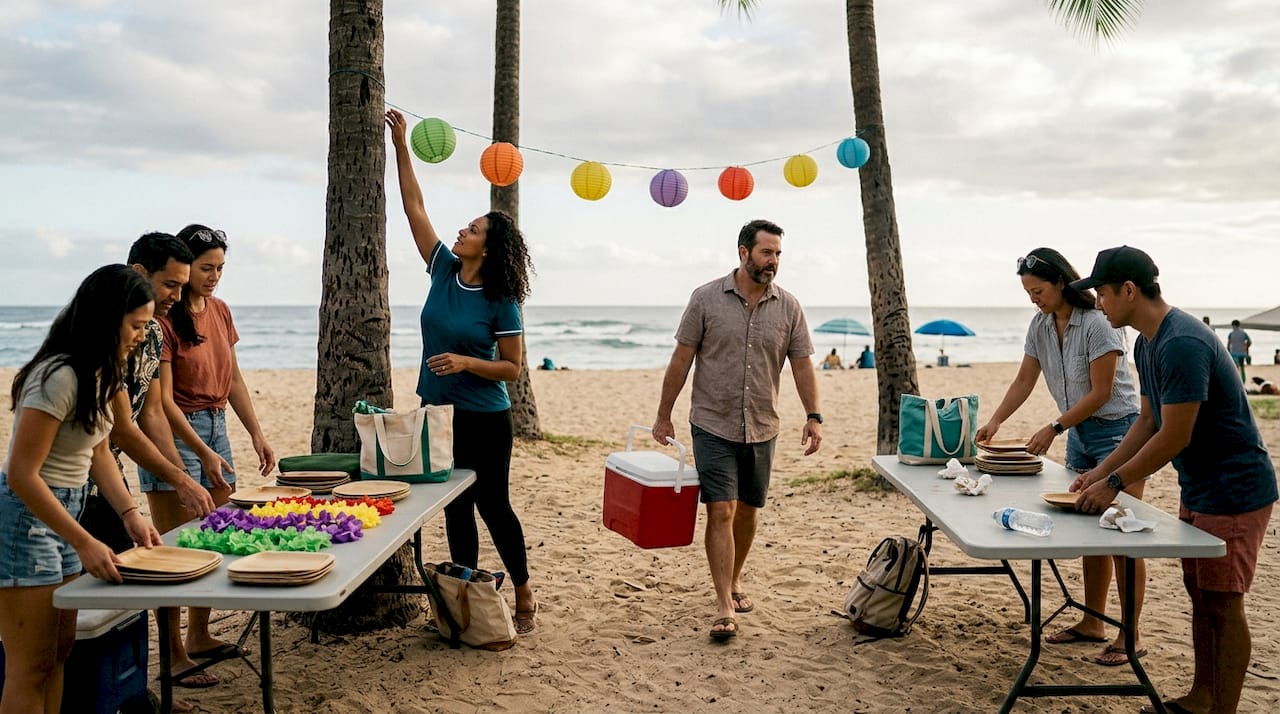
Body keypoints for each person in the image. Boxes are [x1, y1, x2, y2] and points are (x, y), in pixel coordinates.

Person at [1070, 246, 1277, 714]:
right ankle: (1202, 700)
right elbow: (1146, 421)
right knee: (1201, 597)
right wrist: (1098, 473)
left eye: (1102, 293)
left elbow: (1175, 435)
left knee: (1224, 603)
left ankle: (1221, 710)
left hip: (1235, 489)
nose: (1099, 304)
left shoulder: (1183, 341)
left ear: (1128, 290)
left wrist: (1116, 484)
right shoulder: (1145, 343)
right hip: (1201, 486)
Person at [387, 108, 538, 634]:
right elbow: (413, 208)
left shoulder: (501, 300)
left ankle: (522, 590)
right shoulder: (444, 269)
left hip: (484, 419)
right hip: (439, 415)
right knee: (454, 508)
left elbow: (512, 369)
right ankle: (468, 597)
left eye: (472, 230)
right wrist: (401, 145)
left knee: (494, 507)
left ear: (488, 246)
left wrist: (466, 362)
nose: (462, 231)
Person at [0, 265, 164, 713]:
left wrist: (130, 513)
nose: (141, 335)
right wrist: (86, 541)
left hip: (68, 513)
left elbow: (98, 452)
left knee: (59, 654)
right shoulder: (58, 377)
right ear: (107, 319)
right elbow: (21, 473)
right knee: (29, 665)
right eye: (135, 325)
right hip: (27, 521)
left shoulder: (103, 371)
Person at [652, 219, 822, 641]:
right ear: (743, 252)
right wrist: (663, 413)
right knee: (721, 509)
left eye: (778, 254)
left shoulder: (789, 306)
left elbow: (801, 365)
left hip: (764, 425)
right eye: (767, 253)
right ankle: (724, 605)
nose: (774, 262)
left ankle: (734, 579)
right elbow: (682, 358)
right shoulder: (706, 298)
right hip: (712, 422)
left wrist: (814, 416)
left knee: (748, 509)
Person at [974, 248, 1144, 665]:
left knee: (1121, 534)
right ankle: (1093, 622)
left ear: (1062, 283)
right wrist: (994, 421)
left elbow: (1101, 392)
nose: (1034, 299)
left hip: (1119, 432)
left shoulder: (1099, 323)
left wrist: (1053, 427)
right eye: (1028, 293)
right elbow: (1024, 379)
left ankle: (1132, 635)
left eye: (1038, 291)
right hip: (1081, 435)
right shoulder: (1040, 325)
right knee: (1090, 532)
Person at [142, 224, 276, 685]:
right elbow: (162, 404)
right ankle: (173, 653)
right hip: (175, 432)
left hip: (217, 425)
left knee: (214, 539)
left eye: (221, 268)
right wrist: (198, 453)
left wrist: (256, 433)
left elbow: (234, 378)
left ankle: (199, 635)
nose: (215, 276)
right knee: (175, 549)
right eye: (206, 268)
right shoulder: (161, 318)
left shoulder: (219, 310)